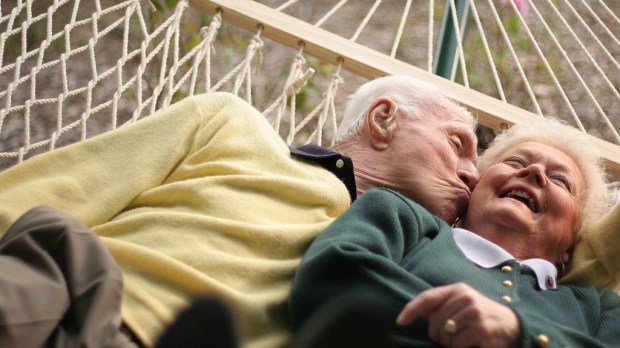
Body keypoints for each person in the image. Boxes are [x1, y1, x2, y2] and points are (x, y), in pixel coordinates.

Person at [0, 75, 479, 347]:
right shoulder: (231, 125)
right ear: (383, 120)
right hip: (68, 293)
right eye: (457, 144)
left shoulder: (405, 264)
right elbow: (48, 192)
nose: (473, 174)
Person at [289, 117, 620, 347]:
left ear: (572, 240)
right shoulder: (404, 218)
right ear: (473, 191)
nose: (533, 172)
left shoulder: (598, 307)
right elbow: (331, 277)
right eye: (515, 162)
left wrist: (520, 334)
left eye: (560, 180)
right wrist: (459, 326)